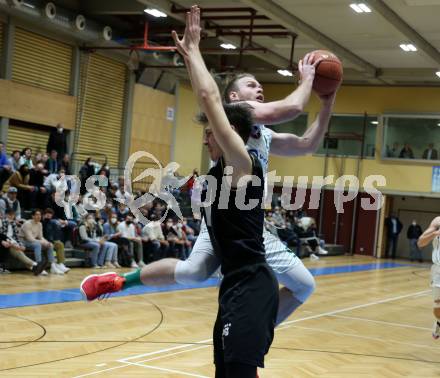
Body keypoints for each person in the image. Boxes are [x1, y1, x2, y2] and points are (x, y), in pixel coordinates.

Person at [78, 4, 337, 331]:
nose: (259, 89)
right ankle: (253, 333)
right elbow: (292, 107)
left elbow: (308, 144)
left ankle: (116, 281)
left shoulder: (264, 134)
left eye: (260, 86)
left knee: (193, 272)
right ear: (234, 95)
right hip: (237, 216)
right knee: (304, 285)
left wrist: (327, 104)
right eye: (252, 84)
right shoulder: (236, 111)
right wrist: (308, 80)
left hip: (231, 215)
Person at [0, 208, 46, 275]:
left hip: (12, 242)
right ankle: (35, 265)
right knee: (17, 249)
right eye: (9, 215)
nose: (11, 217)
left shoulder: (13, 224)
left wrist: (20, 244)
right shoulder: (3, 223)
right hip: (6, 242)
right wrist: (10, 243)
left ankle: (34, 267)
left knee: (20, 248)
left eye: (12, 215)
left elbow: (16, 237)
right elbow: (2, 236)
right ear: (6, 215)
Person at [417, 217, 440, 339]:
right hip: (438, 272)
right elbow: (420, 242)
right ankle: (439, 322)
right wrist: (436, 233)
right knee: (437, 308)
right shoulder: (437, 222)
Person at [21, 209, 61, 274]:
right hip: (23, 242)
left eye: (40, 215)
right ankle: (39, 266)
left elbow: (40, 237)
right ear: (32, 216)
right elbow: (29, 238)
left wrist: (46, 242)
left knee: (50, 245)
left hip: (33, 241)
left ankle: (53, 266)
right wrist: (41, 242)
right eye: (37, 215)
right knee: (37, 244)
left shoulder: (40, 224)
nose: (39, 216)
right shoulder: (27, 224)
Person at [42, 208, 70, 273]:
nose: (49, 215)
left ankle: (60, 264)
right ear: (44, 214)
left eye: (50, 214)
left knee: (60, 244)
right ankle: (53, 266)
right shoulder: (42, 221)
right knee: (52, 245)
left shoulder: (51, 222)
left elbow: (51, 234)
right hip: (43, 241)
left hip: (50, 240)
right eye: (47, 213)